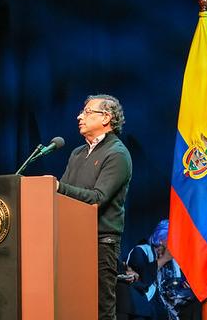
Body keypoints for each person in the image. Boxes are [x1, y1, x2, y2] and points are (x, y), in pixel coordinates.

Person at [57, 94, 133, 320]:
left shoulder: (117, 154)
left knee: (100, 307)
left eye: (88, 112)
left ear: (106, 118)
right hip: (72, 240)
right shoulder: (77, 153)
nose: (80, 116)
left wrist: (58, 187)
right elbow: (61, 195)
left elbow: (97, 198)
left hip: (101, 242)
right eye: (82, 111)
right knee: (72, 304)